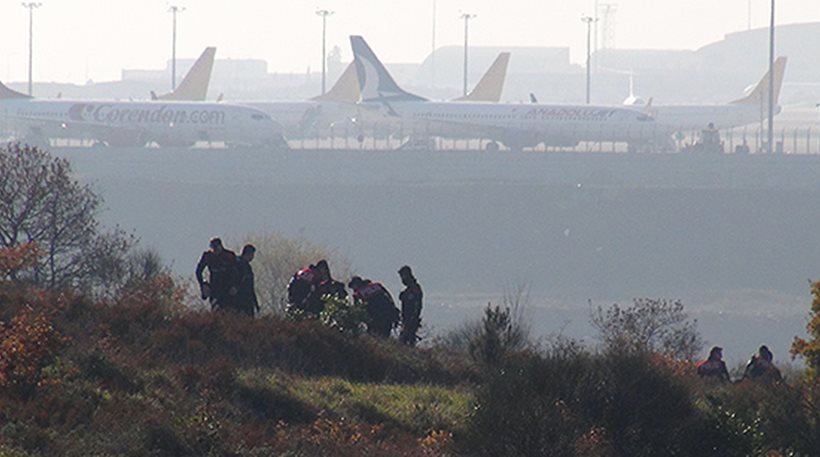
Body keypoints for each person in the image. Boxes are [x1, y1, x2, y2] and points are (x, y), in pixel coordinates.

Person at [195, 237, 238, 312]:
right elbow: (198, 271)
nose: (215, 251)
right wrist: (203, 285)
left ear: (221, 246)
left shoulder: (229, 256)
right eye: (213, 248)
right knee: (216, 311)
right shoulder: (208, 256)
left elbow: (238, 272)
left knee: (230, 313)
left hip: (228, 290)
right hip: (215, 290)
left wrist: (235, 286)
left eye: (216, 248)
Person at [397, 265, 423, 346]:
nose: (402, 279)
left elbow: (417, 306)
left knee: (405, 341)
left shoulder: (415, 289)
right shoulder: (408, 290)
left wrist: (413, 319)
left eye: (403, 276)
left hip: (411, 320)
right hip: (406, 319)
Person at [234, 244, 260, 317]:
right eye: (252, 254)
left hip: (248, 301)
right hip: (239, 302)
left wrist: (255, 303)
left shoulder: (247, 267)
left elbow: (251, 288)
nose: (253, 257)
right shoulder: (238, 265)